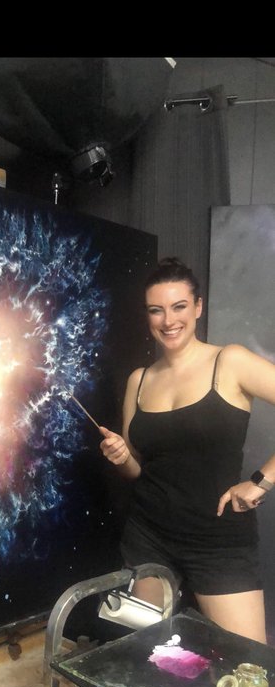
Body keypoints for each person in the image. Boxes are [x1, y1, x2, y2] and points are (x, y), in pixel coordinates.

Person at [99, 257, 275, 643]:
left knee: (248, 667)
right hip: (149, 535)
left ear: (198, 307)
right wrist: (121, 457)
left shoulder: (229, 361)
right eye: (156, 310)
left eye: (179, 306)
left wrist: (261, 481)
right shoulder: (139, 380)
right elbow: (137, 469)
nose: (168, 320)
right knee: (148, 656)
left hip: (218, 540)